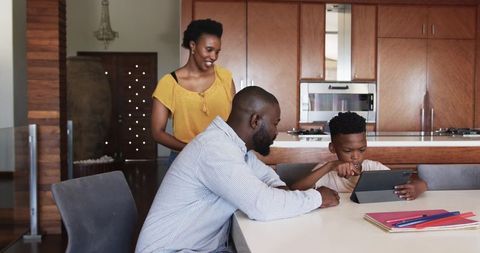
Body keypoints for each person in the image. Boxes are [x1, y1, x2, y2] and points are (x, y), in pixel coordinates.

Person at [135, 86, 340, 253]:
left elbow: (273, 182)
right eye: (275, 124)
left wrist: (281, 194)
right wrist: (317, 197)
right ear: (255, 121)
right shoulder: (215, 150)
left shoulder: (236, 150)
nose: (276, 132)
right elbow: (263, 206)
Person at [151, 18, 236, 165]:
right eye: (209, 50)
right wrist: (193, 149)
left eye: (217, 51)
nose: (214, 57)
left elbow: (235, 120)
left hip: (222, 158)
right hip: (184, 159)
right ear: (193, 46)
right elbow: (157, 132)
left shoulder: (225, 77)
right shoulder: (169, 83)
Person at [290, 112, 427, 200]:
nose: (356, 157)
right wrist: (330, 165)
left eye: (361, 150)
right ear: (333, 148)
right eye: (348, 151)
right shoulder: (326, 171)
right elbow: (294, 190)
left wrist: (417, 188)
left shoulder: (373, 167)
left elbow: (419, 183)